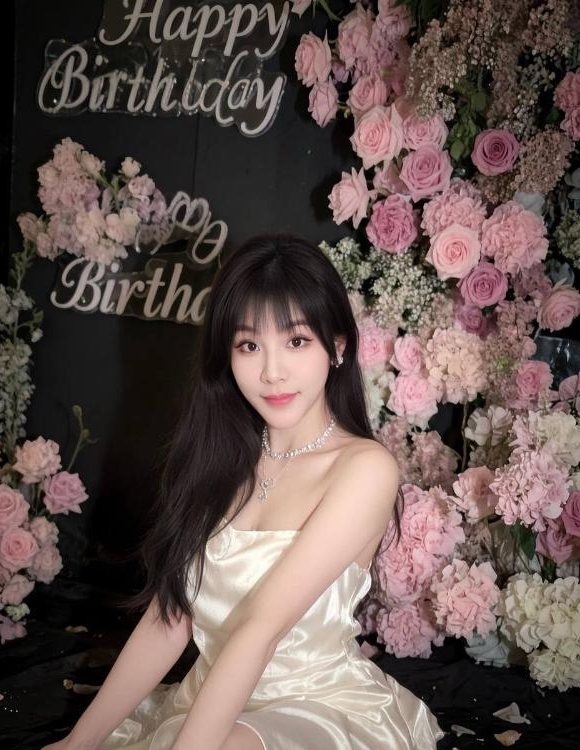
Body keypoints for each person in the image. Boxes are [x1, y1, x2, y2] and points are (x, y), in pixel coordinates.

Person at [42, 235, 443, 750]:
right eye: (249, 346)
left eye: (296, 341)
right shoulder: (220, 461)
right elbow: (170, 618)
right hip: (210, 702)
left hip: (313, 706)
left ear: (338, 346)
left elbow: (262, 627)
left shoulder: (364, 469)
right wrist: (77, 743)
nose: (272, 372)